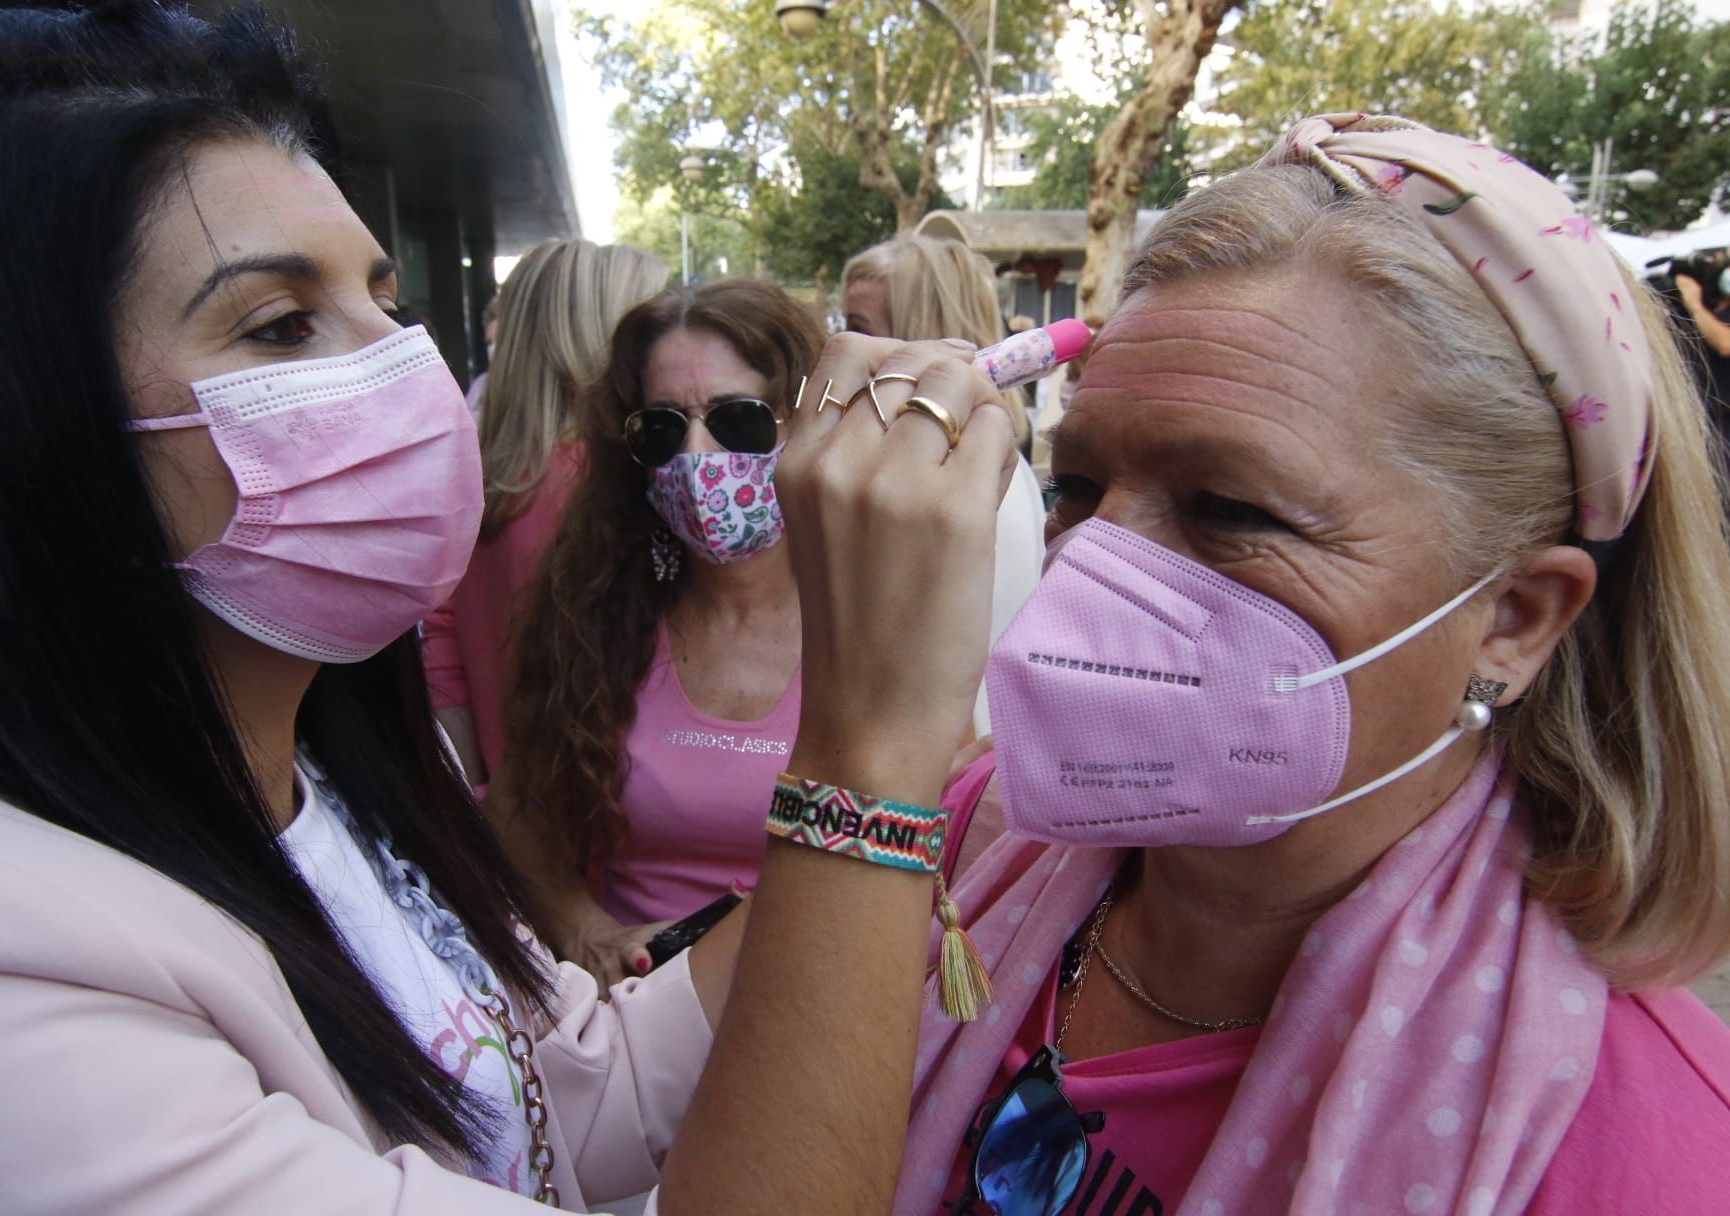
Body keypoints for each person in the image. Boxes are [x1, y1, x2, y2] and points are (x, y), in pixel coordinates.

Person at [0, 5, 1018, 1213]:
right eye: (283, 326)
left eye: (387, 303)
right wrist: (868, 759)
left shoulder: (328, 803)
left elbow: (571, 1090)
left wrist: (885, 819)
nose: (404, 372)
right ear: (15, 419)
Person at [896, 114, 1730, 1216]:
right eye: (1078, 492)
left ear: (1515, 620)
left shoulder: (1639, 1146)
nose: (1089, 574)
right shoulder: (961, 830)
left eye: (1231, 507)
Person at [491, 281, 824, 990]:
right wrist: (592, 934)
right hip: (639, 1027)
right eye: (664, 428)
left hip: (813, 1009)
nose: (697, 455)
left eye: (737, 420)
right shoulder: (597, 616)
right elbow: (518, 813)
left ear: (808, 422)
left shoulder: (869, 624)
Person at [424, 239, 668, 788]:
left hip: (519, 823)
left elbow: (446, 672)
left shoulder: (472, 487)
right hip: (631, 835)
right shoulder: (616, 485)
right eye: (654, 327)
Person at [843, 234, 1049, 736]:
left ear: (923, 337)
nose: (840, 350)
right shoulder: (985, 465)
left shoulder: (944, 482)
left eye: (857, 329)